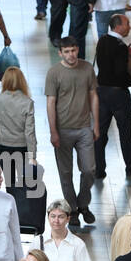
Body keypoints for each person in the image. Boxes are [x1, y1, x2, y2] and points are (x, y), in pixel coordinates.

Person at [45, 37, 99, 225]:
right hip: (63, 129)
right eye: (67, 51)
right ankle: (73, 209)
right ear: (60, 53)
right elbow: (50, 102)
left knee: (89, 169)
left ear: (78, 50)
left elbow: (93, 95)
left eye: (74, 50)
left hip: (84, 127)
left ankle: (83, 203)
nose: (71, 54)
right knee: (66, 173)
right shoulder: (54, 73)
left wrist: (96, 124)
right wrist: (53, 131)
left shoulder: (87, 69)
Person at [90, 14, 131, 179]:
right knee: (125, 132)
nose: (129, 27)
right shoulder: (120, 46)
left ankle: (98, 168)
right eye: (127, 24)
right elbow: (120, 73)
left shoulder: (102, 41)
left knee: (100, 132)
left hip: (101, 93)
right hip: (118, 95)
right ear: (118, 26)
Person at [0, 65, 36, 187]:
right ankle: (21, 204)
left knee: (9, 182)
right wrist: (32, 155)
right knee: (23, 183)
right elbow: (30, 132)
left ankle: (12, 202)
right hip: (22, 147)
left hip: (3, 145)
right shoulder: (27, 102)